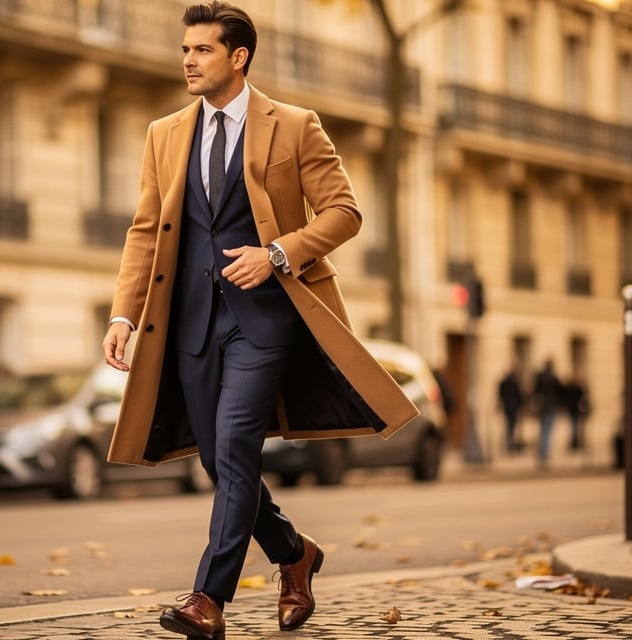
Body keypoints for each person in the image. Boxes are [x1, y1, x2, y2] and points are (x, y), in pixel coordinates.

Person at [100, 3, 418, 638]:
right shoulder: (165, 133)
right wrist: (123, 314)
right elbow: (146, 230)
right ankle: (294, 553)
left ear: (238, 57)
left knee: (236, 444)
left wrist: (277, 253)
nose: (188, 60)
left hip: (265, 321)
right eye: (185, 49)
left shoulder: (295, 126)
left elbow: (344, 212)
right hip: (190, 323)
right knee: (219, 462)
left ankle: (208, 599)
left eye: (202, 50)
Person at [532, 359, 564, 468]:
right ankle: (544, 451)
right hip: (551, 406)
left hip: (542, 406)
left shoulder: (540, 377)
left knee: (543, 429)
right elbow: (561, 390)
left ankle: (541, 450)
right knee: (547, 430)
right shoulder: (553, 378)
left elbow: (535, 390)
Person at [497, 365, 523, 454]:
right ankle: (510, 443)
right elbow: (519, 396)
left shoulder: (504, 383)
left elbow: (500, 395)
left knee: (508, 425)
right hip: (513, 407)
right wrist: (521, 406)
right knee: (511, 425)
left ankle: (509, 443)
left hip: (507, 406)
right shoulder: (515, 383)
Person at [564, 377, 589, 452]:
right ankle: (575, 442)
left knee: (575, 426)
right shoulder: (574, 386)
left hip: (575, 409)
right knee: (575, 426)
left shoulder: (574, 386)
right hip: (574, 409)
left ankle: (576, 442)